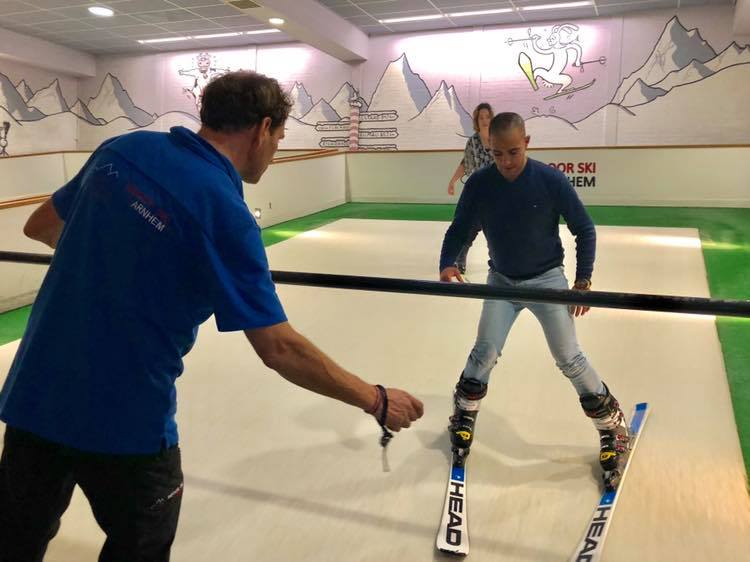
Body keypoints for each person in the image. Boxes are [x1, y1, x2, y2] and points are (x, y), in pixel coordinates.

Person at [0, 71, 423, 562]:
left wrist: (116, 263)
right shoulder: (224, 212)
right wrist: (375, 399)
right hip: (127, 423)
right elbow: (278, 347)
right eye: (280, 137)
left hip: (35, 398)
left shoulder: (123, 150)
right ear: (262, 129)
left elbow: (41, 226)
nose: (276, 151)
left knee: (13, 542)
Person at [438, 112, 628, 488]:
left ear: (527, 142)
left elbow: (584, 229)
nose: (506, 162)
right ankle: (463, 413)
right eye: (497, 154)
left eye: (513, 152)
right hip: (502, 282)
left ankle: (612, 425)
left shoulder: (550, 180)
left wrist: (583, 281)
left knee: (569, 357)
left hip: (547, 281)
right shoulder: (480, 183)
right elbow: (461, 227)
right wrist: (447, 262)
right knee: (485, 351)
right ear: (489, 149)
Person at [446, 102, 494, 274]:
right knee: (469, 228)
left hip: (497, 193)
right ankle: (460, 260)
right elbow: (465, 163)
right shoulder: (472, 142)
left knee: (496, 230)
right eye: (481, 118)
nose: (485, 120)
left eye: (487, 117)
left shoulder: (498, 139)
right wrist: (452, 181)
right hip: (477, 192)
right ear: (477, 121)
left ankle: (499, 261)